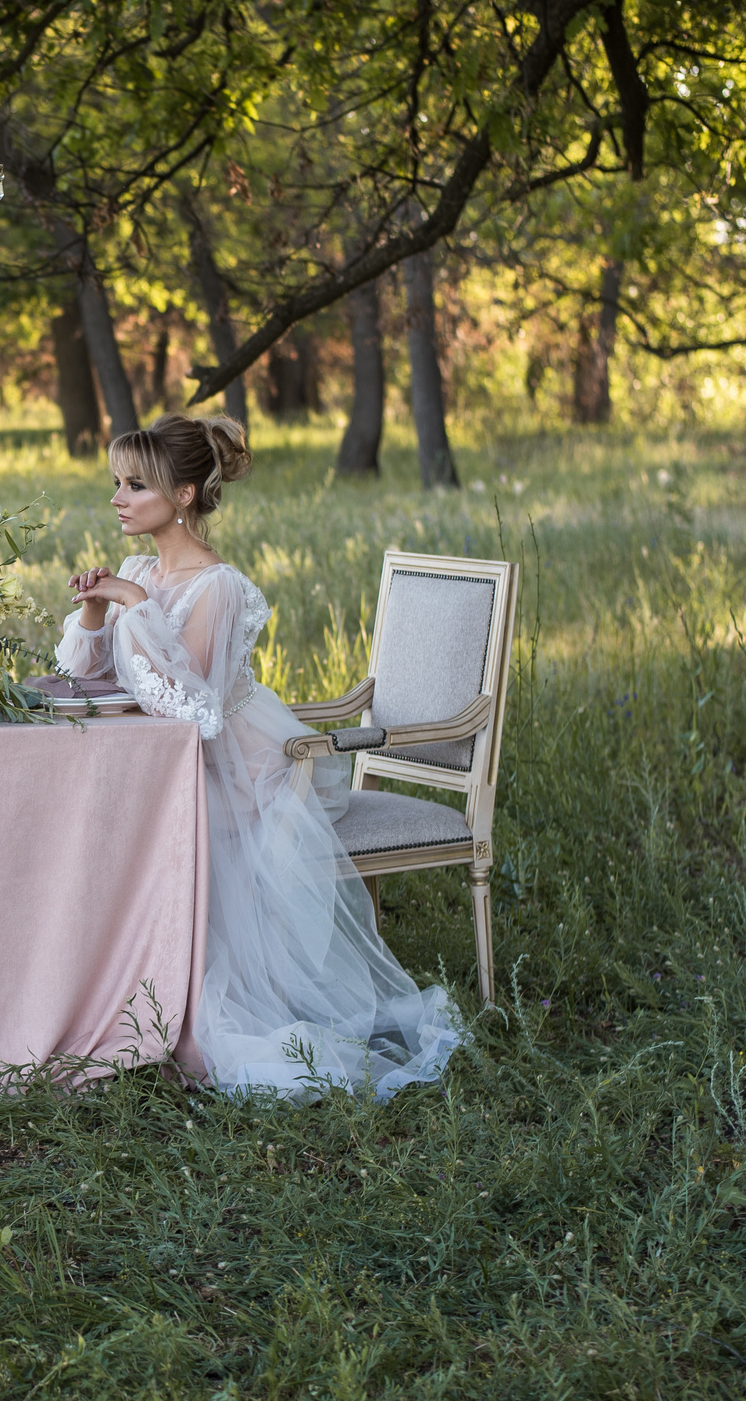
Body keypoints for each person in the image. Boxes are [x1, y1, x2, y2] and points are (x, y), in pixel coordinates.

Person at [57, 413, 460, 1099]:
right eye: (115, 483)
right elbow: (81, 670)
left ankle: (174, 1002)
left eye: (135, 485)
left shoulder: (217, 585)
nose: (118, 498)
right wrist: (98, 609)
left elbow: (192, 703)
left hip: (248, 768)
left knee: (162, 838)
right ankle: (113, 995)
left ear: (183, 494)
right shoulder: (136, 569)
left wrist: (133, 605)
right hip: (177, 758)